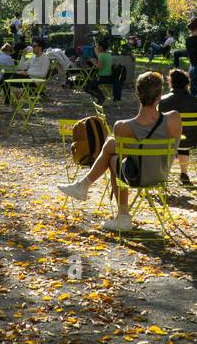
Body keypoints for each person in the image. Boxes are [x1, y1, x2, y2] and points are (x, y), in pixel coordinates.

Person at [55, 71, 182, 232]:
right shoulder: (174, 119)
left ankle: (119, 213)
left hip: (136, 177)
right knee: (111, 147)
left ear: (137, 94)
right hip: (161, 175)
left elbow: (124, 153)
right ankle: (84, 186)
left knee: (112, 155)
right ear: (159, 96)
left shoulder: (123, 126)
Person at [158, 68, 197, 185]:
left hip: (167, 140)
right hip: (191, 139)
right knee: (183, 139)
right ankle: (184, 173)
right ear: (187, 85)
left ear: (171, 83)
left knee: (171, 134)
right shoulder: (195, 101)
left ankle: (163, 172)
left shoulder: (162, 101)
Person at [84, 38, 126, 105]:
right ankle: (101, 97)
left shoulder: (101, 55)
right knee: (92, 83)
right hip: (110, 76)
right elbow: (106, 65)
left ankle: (101, 98)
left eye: (98, 46)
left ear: (101, 47)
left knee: (87, 87)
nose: (97, 48)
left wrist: (92, 62)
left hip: (103, 77)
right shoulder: (109, 55)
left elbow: (99, 67)